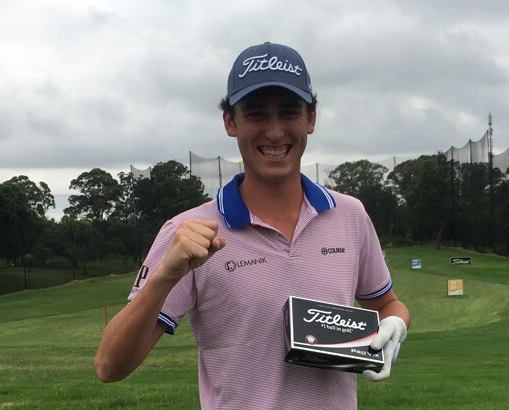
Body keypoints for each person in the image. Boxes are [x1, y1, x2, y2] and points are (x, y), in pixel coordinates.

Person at [95, 41, 411, 409]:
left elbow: (387, 303)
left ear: (311, 119)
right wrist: (165, 276)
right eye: (257, 114)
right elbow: (109, 366)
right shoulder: (189, 232)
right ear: (230, 122)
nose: (275, 132)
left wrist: (396, 325)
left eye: (289, 112)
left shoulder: (349, 215)